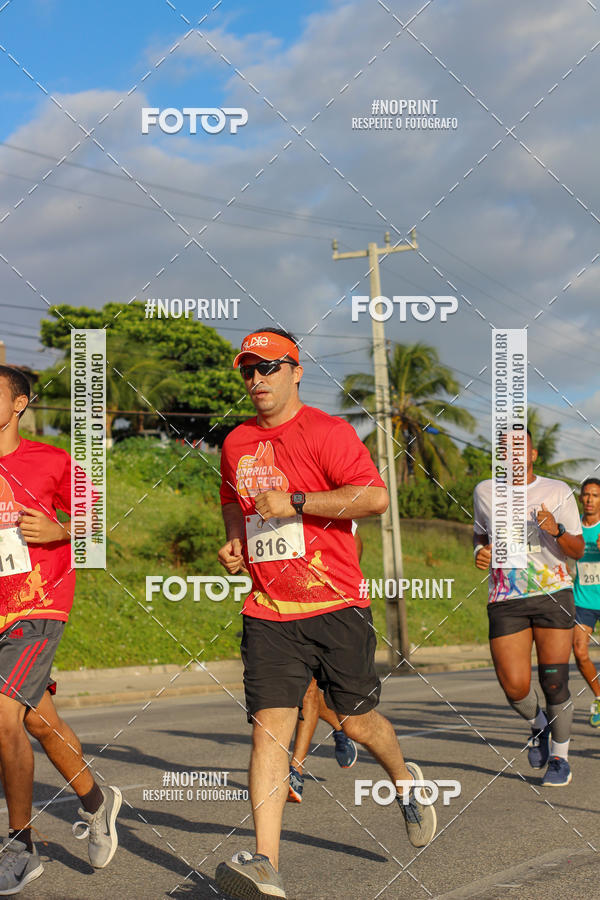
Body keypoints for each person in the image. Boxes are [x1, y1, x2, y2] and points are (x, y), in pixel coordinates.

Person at [215, 329, 436, 900]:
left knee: (358, 724)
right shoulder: (235, 443)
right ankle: (265, 864)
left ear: (295, 371)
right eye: (248, 370)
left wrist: (294, 501)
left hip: (336, 604)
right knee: (269, 733)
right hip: (268, 610)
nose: (257, 380)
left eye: (269, 368)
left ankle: (404, 779)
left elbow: (374, 497)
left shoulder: (327, 432)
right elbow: (232, 506)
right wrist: (236, 542)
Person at [0, 365, 121, 894]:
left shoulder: (50, 462)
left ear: (20, 403)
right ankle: (97, 802)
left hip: (37, 607)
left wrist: (59, 528)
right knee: (40, 724)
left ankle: (19, 847)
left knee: (3, 716)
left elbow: (98, 527)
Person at [474, 430, 584, 787]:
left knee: (554, 681)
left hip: (553, 592)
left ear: (533, 453)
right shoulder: (485, 491)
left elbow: (578, 550)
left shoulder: (558, 491)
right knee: (514, 686)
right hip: (506, 597)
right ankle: (538, 725)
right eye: (506, 450)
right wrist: (479, 552)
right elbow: (479, 534)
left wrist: (556, 529)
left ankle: (559, 757)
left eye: (521, 448)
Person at [287, 526, 362, 803]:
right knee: (306, 692)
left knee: (310, 691)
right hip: (285, 608)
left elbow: (354, 542)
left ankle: (296, 768)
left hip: (330, 608)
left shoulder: (326, 503)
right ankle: (340, 728)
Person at [571, 478, 600, 726]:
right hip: (583, 599)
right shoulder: (574, 527)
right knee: (580, 652)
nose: (590, 499)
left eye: (595, 495)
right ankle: (599, 697)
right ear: (581, 498)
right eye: (586, 495)